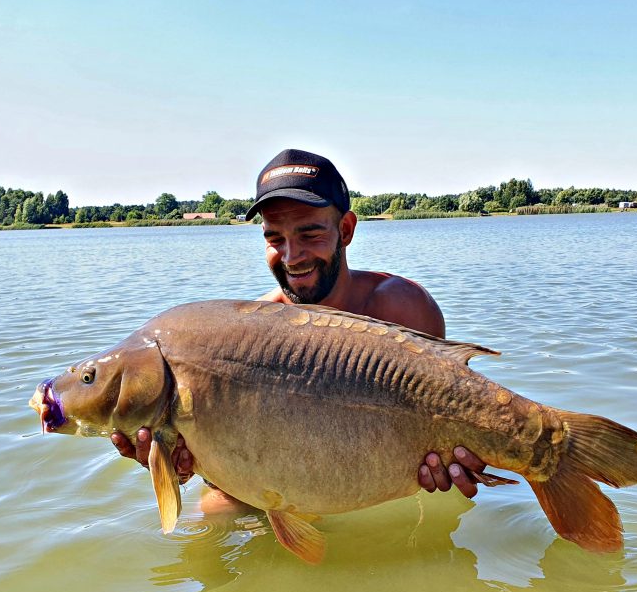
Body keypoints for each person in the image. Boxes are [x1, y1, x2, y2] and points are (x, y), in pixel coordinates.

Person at [111, 148, 489, 512]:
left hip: (386, 483)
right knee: (213, 511)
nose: (292, 257)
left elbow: (456, 419)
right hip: (287, 483)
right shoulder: (252, 330)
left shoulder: (401, 307)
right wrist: (185, 464)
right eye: (275, 239)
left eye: (309, 235)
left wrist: (463, 457)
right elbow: (244, 461)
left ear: (346, 229)